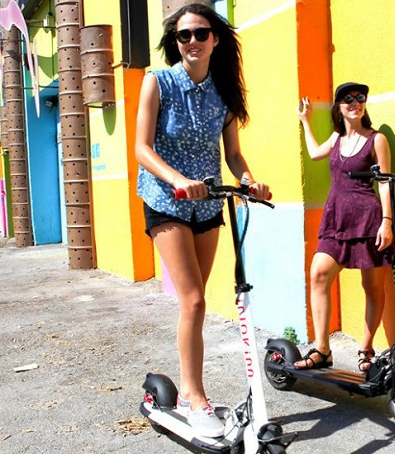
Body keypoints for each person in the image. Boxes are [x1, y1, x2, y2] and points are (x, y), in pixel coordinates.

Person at [135, 4, 269, 438]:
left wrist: (249, 181)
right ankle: (195, 397)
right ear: (175, 42)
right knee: (192, 301)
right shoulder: (158, 82)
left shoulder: (224, 94)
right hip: (166, 199)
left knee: (198, 300)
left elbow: (232, 154)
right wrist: (178, 180)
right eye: (183, 35)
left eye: (200, 33)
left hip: (209, 204)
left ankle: (192, 386)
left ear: (215, 39)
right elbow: (141, 148)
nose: (191, 42)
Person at [293, 82, 393, 373]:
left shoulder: (377, 139)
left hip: (368, 220)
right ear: (339, 106)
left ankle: (366, 347)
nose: (355, 102)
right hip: (336, 218)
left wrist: (386, 222)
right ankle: (322, 349)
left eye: (360, 98)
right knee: (319, 272)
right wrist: (305, 122)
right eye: (348, 99)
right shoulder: (337, 137)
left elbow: (385, 181)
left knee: (372, 286)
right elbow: (313, 153)